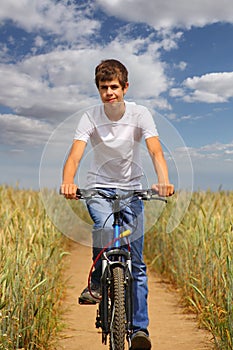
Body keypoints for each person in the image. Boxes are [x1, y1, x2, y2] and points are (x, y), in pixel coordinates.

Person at [60, 59, 174, 350]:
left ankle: (140, 331)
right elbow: (75, 154)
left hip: (132, 190)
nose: (109, 92)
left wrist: (163, 180)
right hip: (99, 188)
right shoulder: (90, 117)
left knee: (137, 264)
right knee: (104, 227)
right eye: (103, 88)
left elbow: (155, 150)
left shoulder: (140, 114)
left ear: (125, 87)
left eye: (114, 87)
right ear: (98, 90)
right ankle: (98, 281)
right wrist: (68, 181)